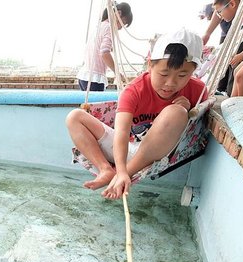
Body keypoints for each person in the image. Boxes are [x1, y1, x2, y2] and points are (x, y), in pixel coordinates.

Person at [66, 28, 208, 199]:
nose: (170, 83)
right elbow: (121, 134)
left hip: (153, 155)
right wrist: (120, 169)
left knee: (177, 112)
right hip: (124, 149)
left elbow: (195, 127)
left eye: (182, 75)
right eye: (164, 74)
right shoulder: (134, 90)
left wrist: (188, 109)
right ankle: (106, 170)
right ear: (150, 65)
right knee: (75, 116)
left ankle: (124, 174)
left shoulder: (198, 91)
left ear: (193, 72)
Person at [76, 2, 133, 92]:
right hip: (94, 78)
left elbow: (98, 47)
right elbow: (104, 53)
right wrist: (116, 72)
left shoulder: (100, 26)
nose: (121, 27)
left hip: (84, 76)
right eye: (124, 22)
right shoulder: (109, 28)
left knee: (88, 105)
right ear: (118, 14)